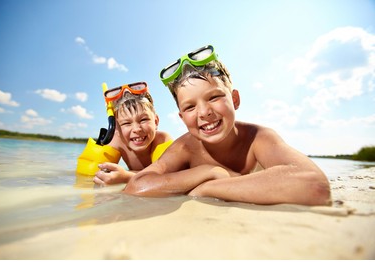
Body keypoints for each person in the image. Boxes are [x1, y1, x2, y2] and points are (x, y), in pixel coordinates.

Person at [124, 45, 331, 206]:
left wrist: (208, 189)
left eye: (214, 97)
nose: (204, 113)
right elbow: (137, 186)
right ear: (181, 117)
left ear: (235, 99)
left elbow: (315, 186)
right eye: (190, 107)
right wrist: (207, 171)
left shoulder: (258, 138)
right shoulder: (185, 148)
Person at [92, 81, 172, 185]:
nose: (137, 129)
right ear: (116, 128)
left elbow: (170, 177)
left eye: (143, 120)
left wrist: (127, 177)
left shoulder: (162, 139)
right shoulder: (116, 142)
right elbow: (93, 176)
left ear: (156, 121)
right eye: (126, 123)